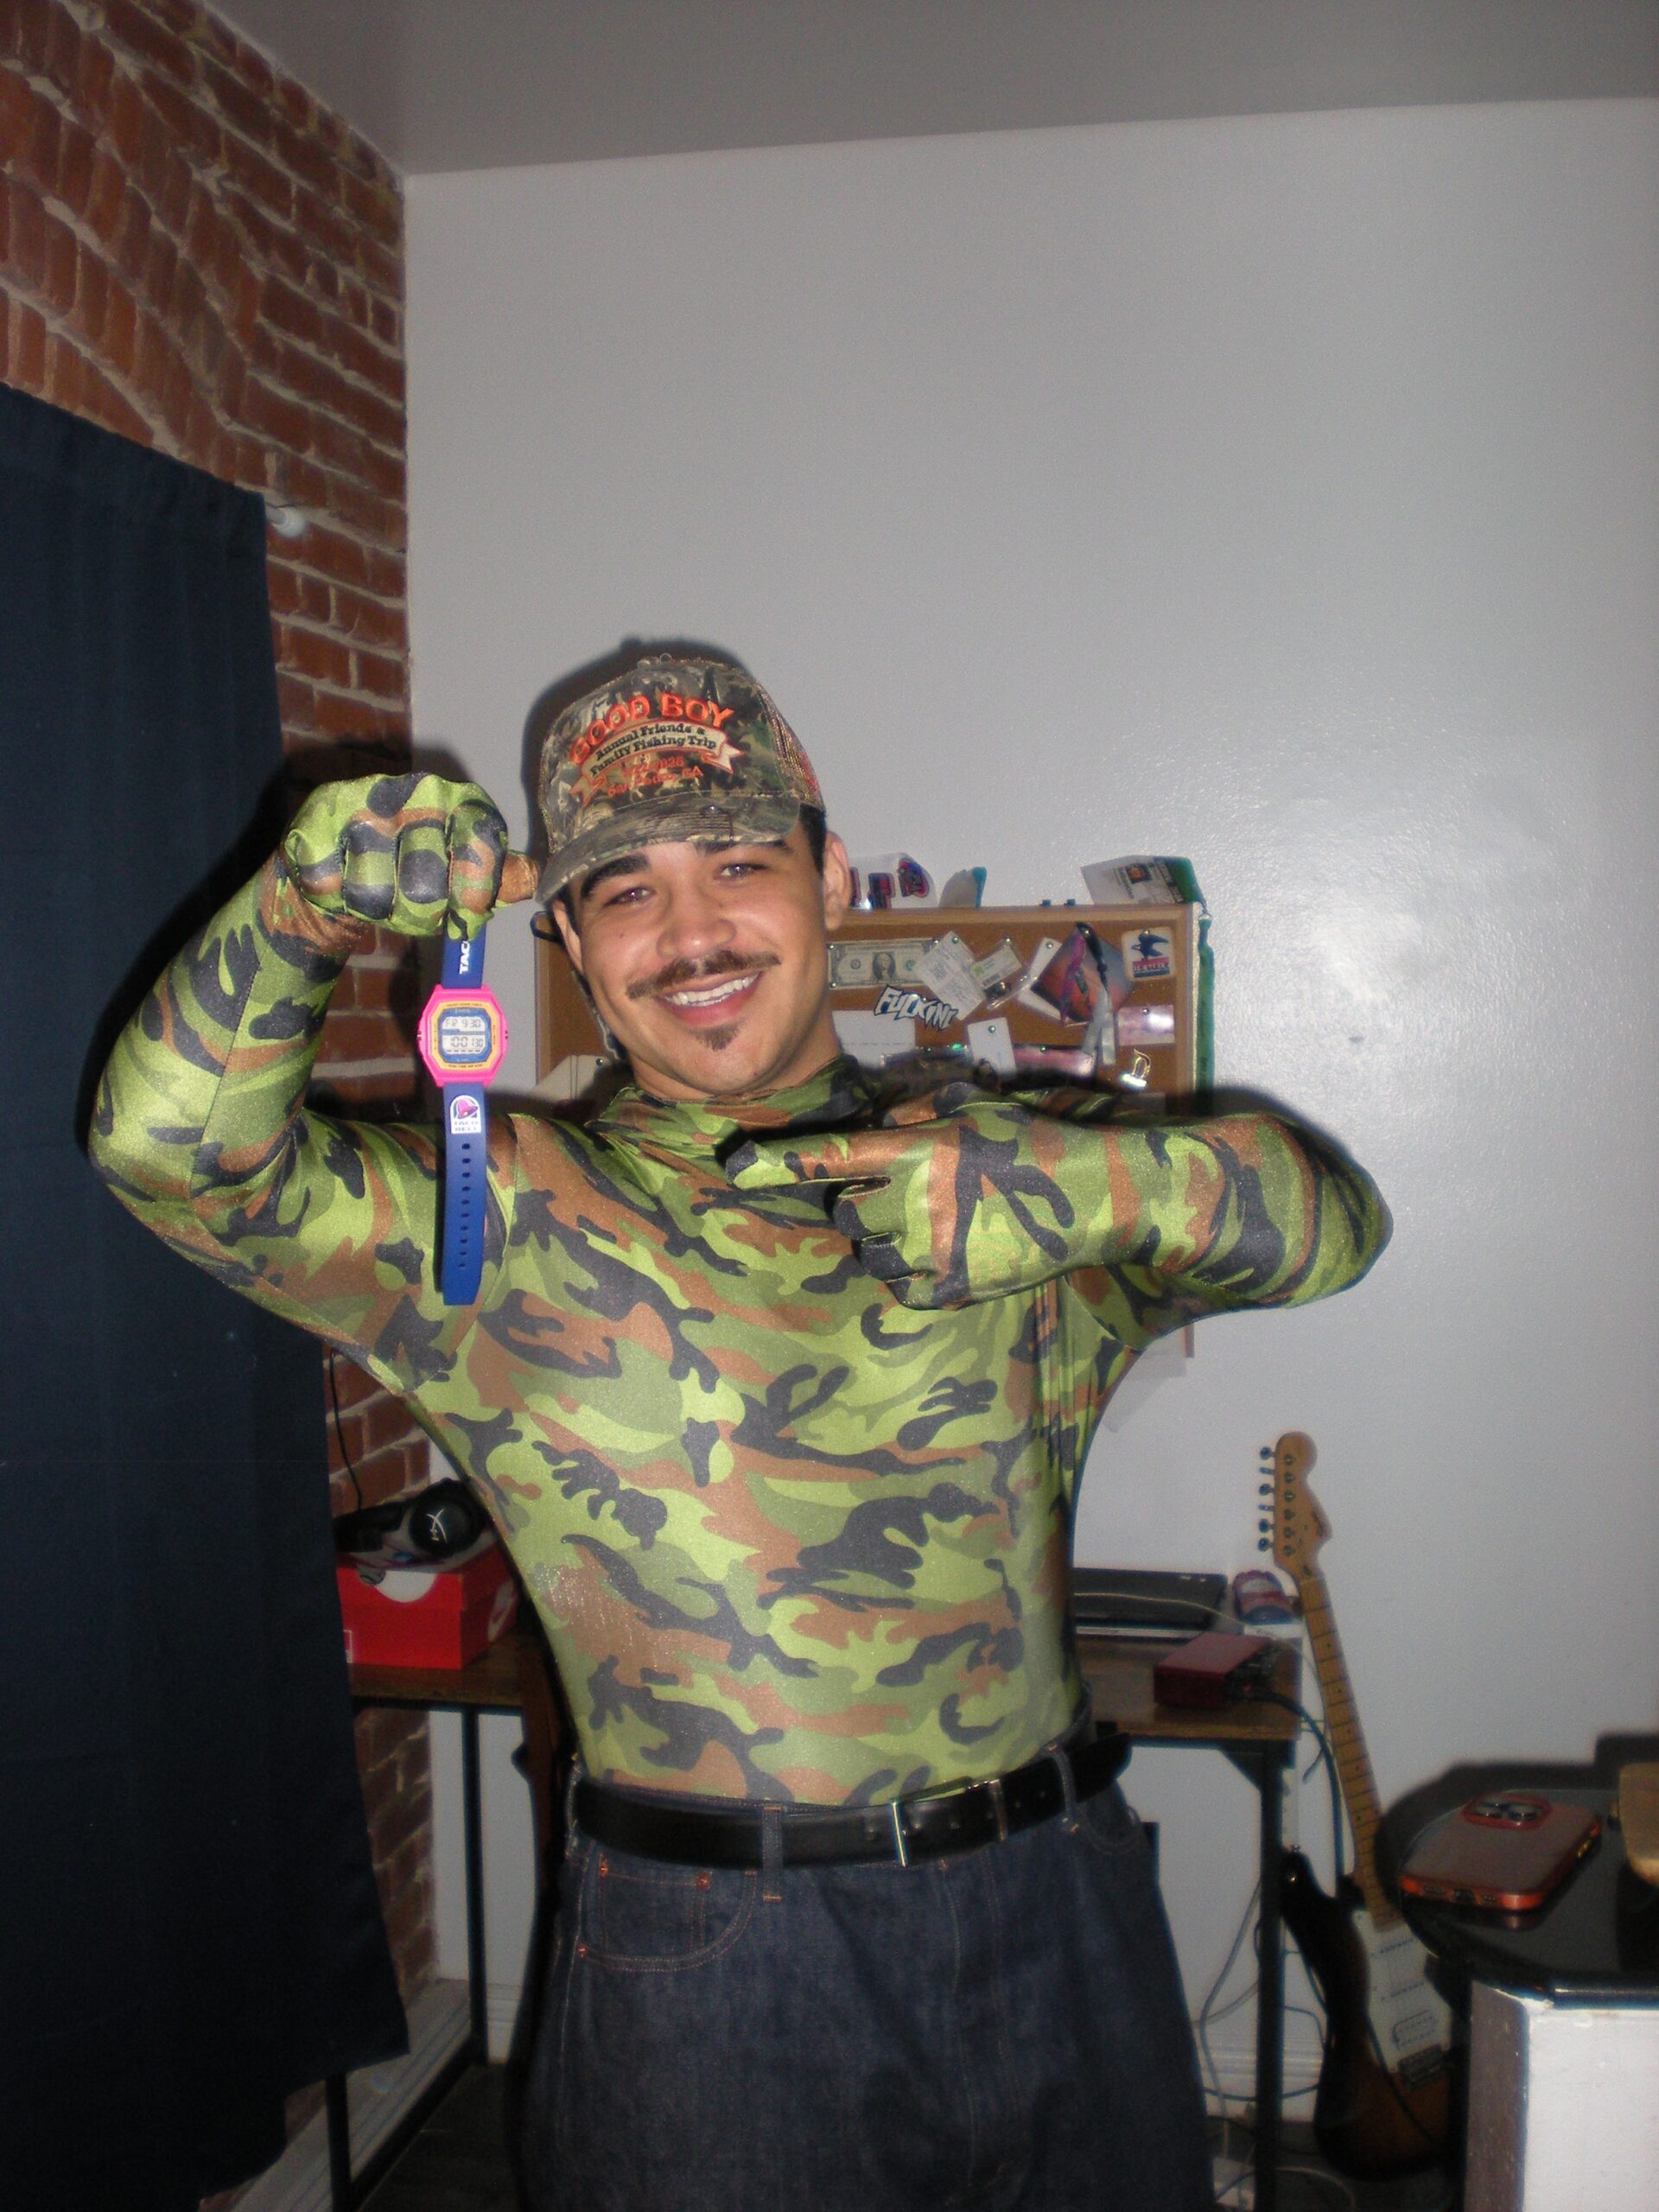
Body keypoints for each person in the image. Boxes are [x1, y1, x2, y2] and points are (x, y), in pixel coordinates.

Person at [92, 652, 1389, 2212]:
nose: (692, 930)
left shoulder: (1013, 1157)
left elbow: (1335, 1224)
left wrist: (1080, 1185)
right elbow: (169, 1157)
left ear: (829, 881)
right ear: (566, 940)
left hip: (1065, 1904)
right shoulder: (497, 1214)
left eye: (737, 863)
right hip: (719, 1968)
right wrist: (298, 906)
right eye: (624, 891)